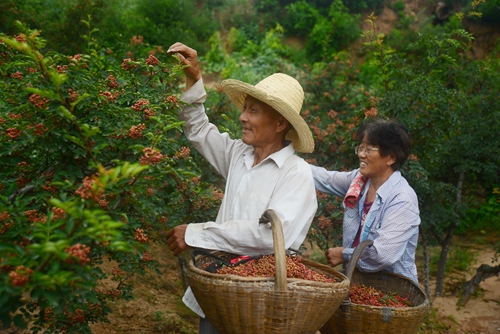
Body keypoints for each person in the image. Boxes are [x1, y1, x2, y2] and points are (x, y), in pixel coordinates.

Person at [165, 42, 318, 333]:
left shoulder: (295, 174)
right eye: (245, 109)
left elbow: (269, 237)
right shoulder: (239, 155)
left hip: (261, 303)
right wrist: (193, 79)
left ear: (280, 122)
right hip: (219, 288)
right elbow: (198, 129)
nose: (242, 117)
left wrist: (196, 233)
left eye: (253, 111)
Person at [310, 119, 420, 283]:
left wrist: (344, 254)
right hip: (356, 281)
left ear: (390, 157)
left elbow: (382, 255)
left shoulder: (402, 199)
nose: (361, 154)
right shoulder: (359, 181)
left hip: (391, 290)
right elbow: (326, 179)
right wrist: (288, 162)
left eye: (369, 149)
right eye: (361, 148)